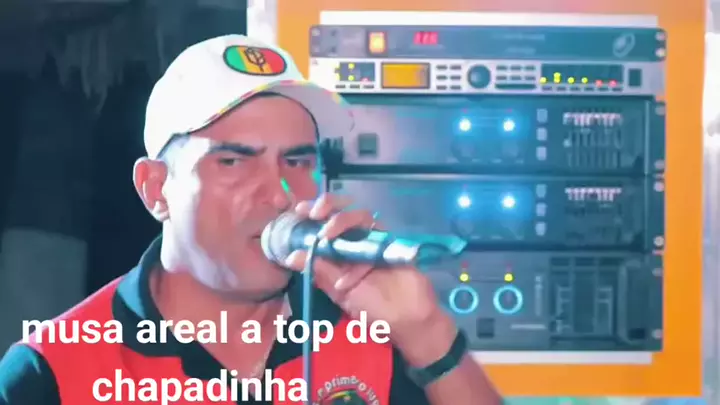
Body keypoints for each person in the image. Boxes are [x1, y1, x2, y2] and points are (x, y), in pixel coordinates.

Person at [0, 35, 501, 405]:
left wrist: (428, 335)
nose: (279, 193)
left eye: (297, 161)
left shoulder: (371, 332)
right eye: (234, 161)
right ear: (157, 189)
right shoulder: (53, 369)